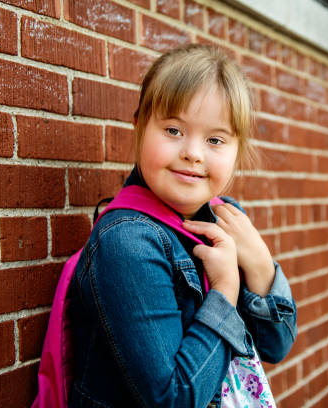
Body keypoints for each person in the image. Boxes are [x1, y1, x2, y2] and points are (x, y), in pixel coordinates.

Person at [67, 44, 297, 407]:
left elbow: (276, 343)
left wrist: (259, 263)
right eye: (173, 130)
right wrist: (225, 291)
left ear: (238, 149)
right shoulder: (128, 242)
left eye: (215, 139)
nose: (193, 152)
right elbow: (171, 399)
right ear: (139, 127)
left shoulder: (226, 219)